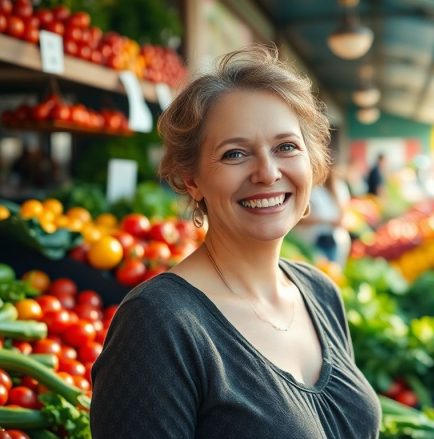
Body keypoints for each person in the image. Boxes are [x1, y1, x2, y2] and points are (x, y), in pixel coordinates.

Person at [90, 45, 380, 438]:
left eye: (286, 147)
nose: (267, 172)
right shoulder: (159, 324)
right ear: (191, 179)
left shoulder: (319, 292)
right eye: (235, 153)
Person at [294, 170, 351, 265]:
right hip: (310, 242)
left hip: (335, 241)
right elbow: (298, 218)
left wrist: (339, 221)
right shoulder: (311, 189)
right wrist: (325, 220)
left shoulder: (339, 187)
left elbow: (345, 213)